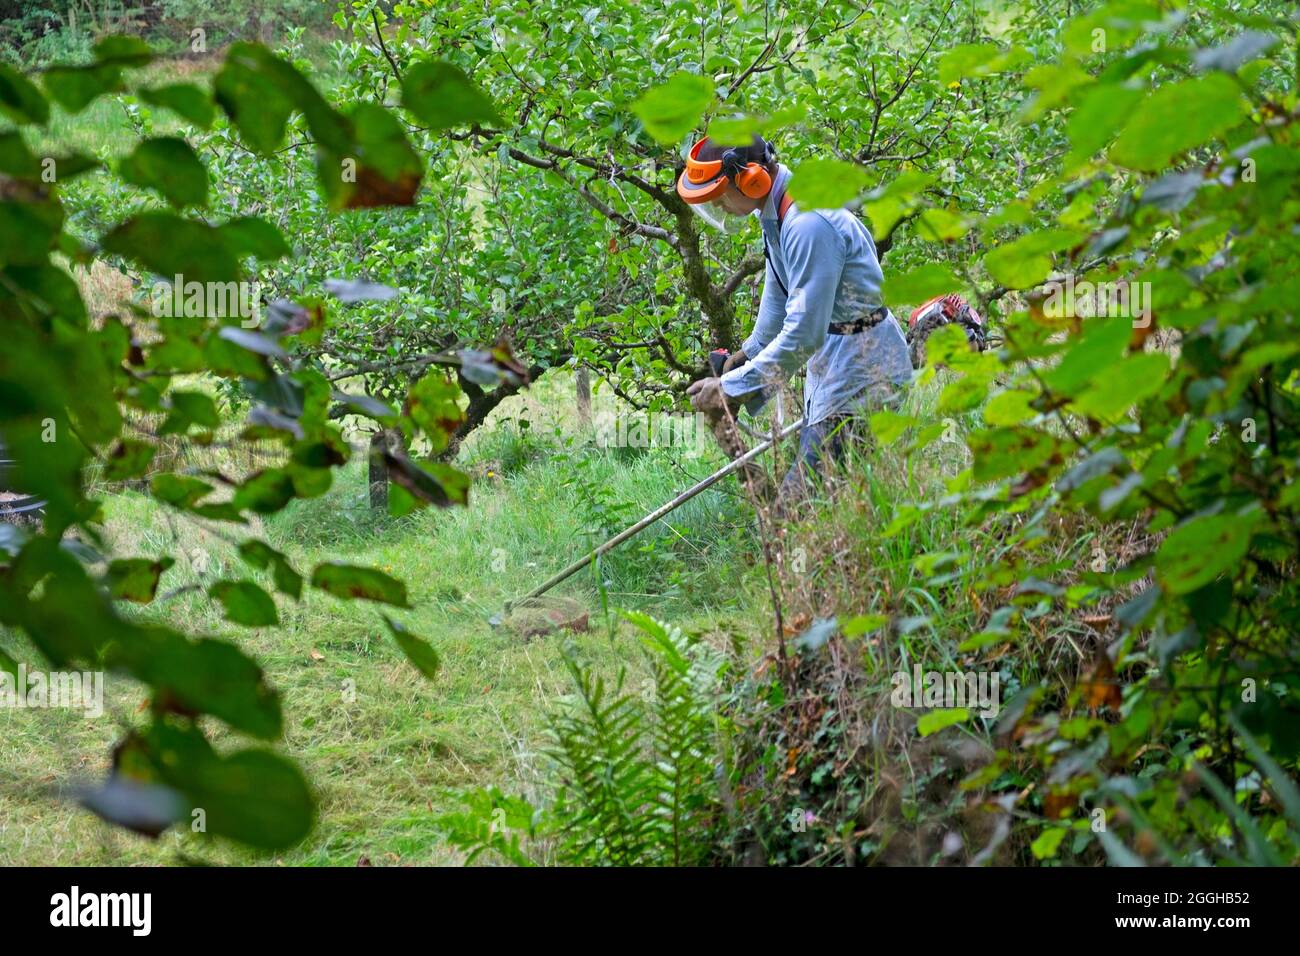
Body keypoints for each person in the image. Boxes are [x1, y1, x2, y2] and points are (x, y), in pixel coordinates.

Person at [679, 134, 913, 505]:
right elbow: (778, 298)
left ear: (751, 178)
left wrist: (732, 387)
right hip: (836, 366)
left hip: (864, 373)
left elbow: (804, 333)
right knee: (831, 504)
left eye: (721, 195)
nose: (720, 205)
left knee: (799, 509)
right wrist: (744, 357)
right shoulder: (779, 214)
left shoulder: (808, 224)